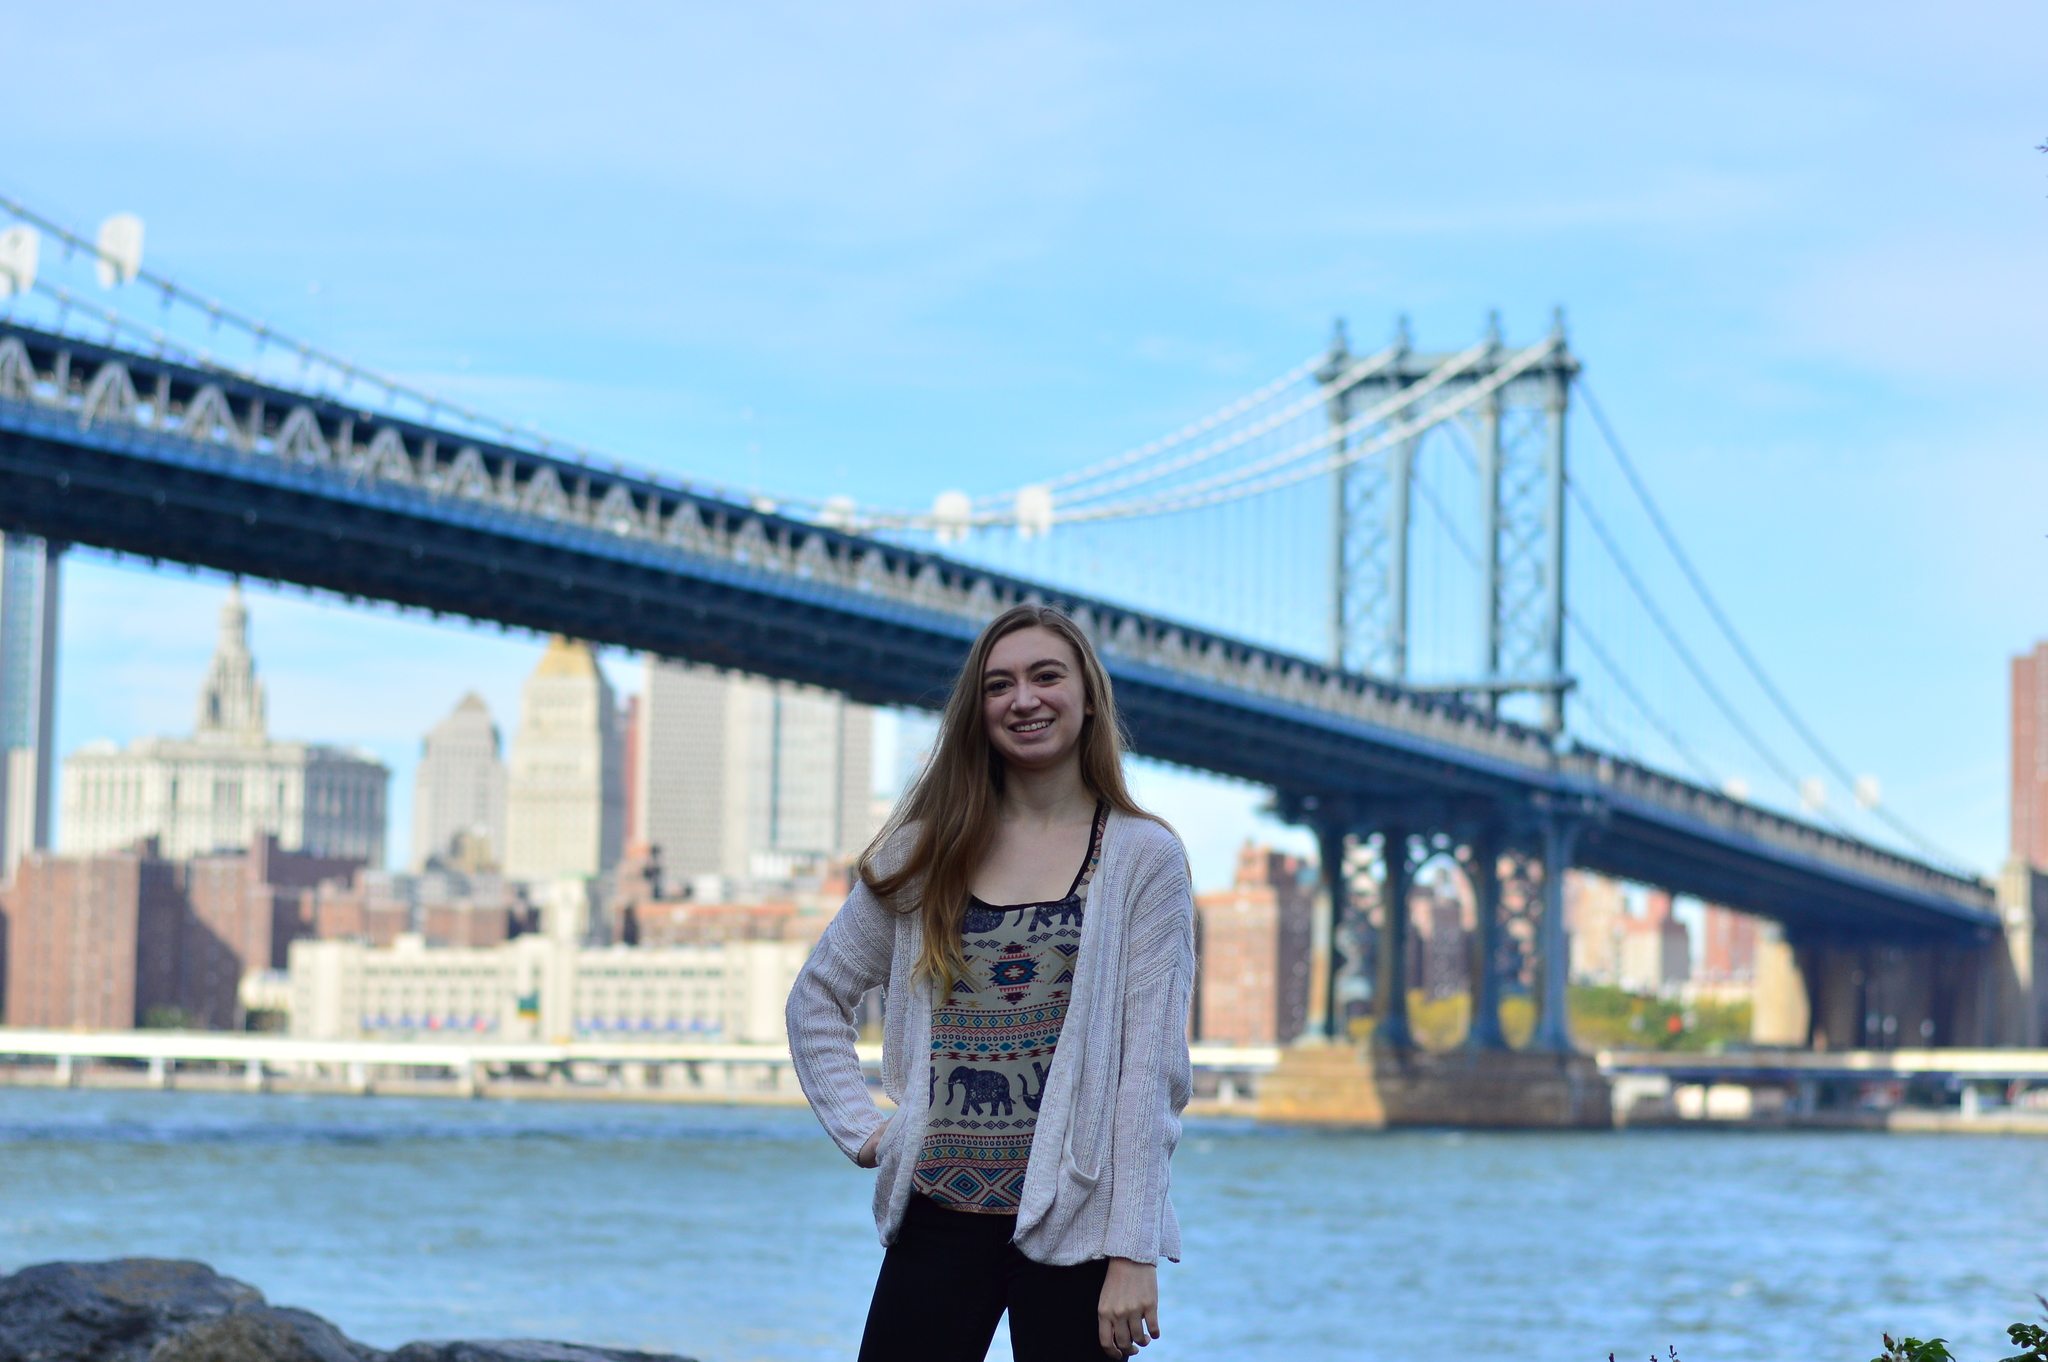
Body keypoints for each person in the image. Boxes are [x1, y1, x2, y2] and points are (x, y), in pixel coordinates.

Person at [786, 603, 1197, 1362]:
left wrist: (1133, 1251)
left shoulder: (1145, 857)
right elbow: (817, 997)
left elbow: (1148, 1077)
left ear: (1088, 696)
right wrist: (867, 1130)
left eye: (1047, 677)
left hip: (1077, 1222)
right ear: (977, 712)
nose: (1024, 700)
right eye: (998, 685)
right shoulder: (925, 850)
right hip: (936, 1211)